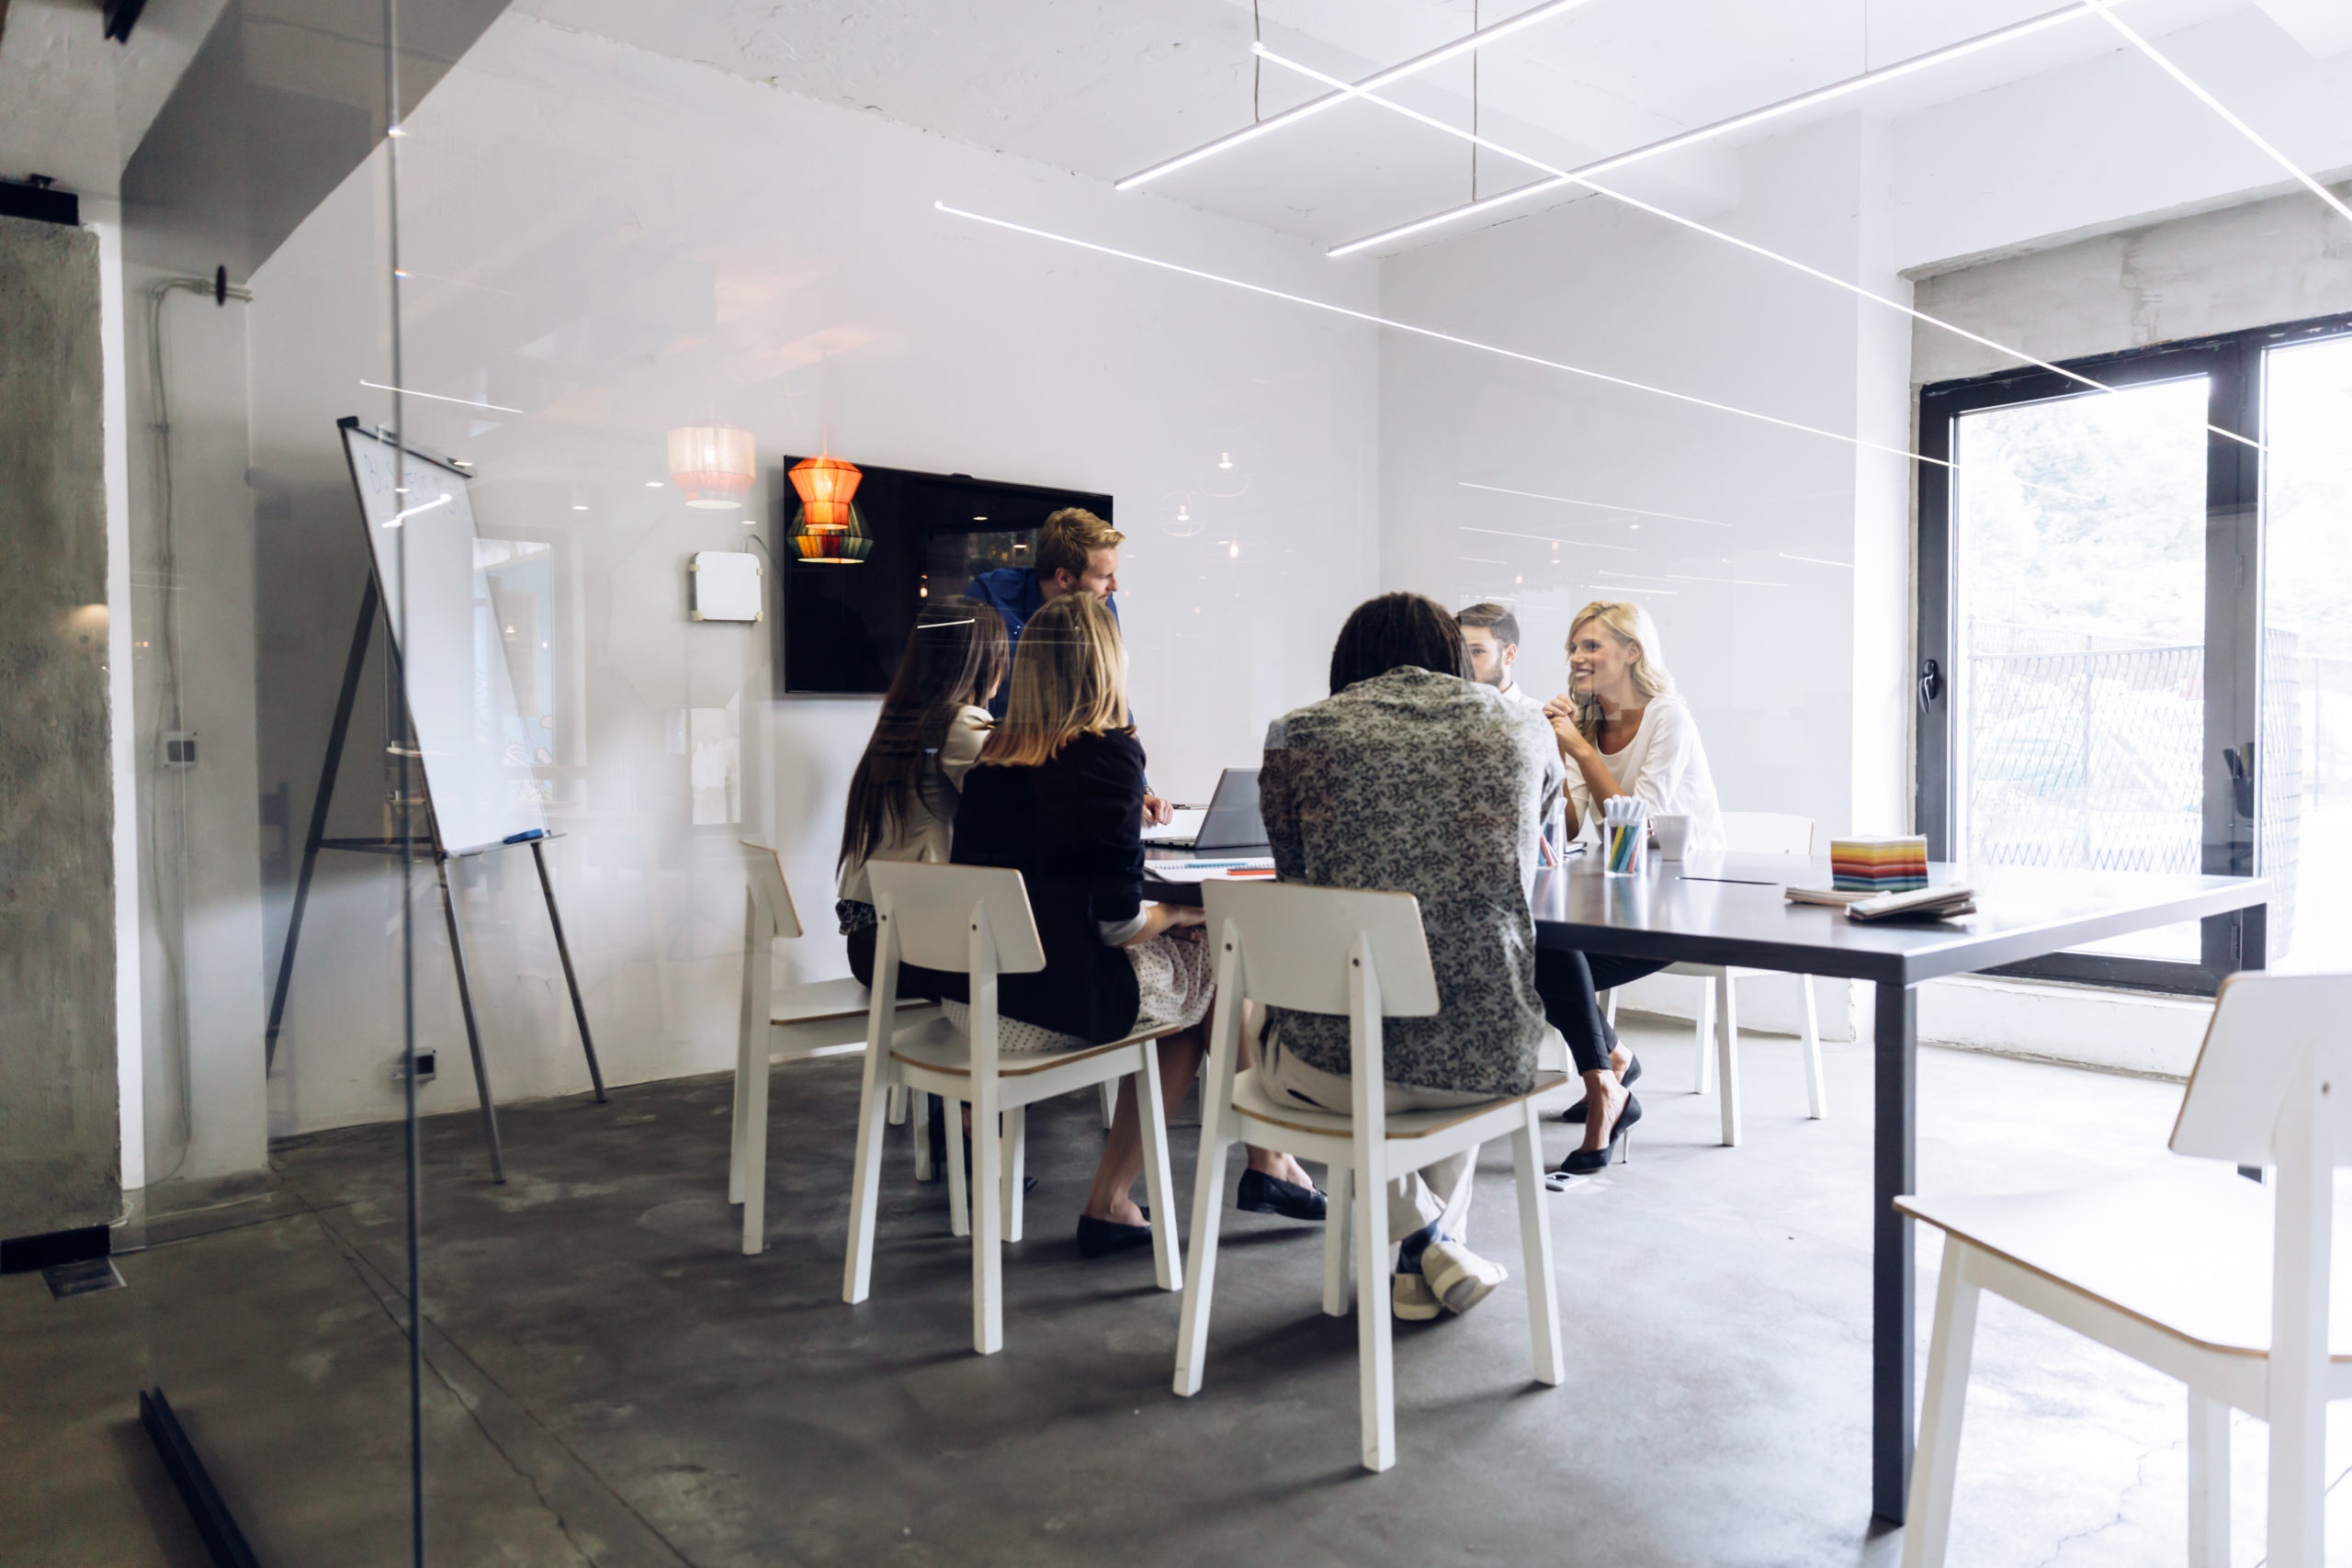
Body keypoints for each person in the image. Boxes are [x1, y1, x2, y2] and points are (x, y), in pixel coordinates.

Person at [937, 592, 1323, 1258]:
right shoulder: (1109, 755)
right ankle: (1244, 1167)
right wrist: (1177, 913)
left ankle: (1235, 1171)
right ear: (1106, 666)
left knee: (1192, 987)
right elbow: (1118, 925)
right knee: (1215, 968)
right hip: (1038, 1011)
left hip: (976, 999)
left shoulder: (990, 762)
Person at [1257, 592, 1569, 1323]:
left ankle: (1421, 1241)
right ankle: (1427, 1248)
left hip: (1326, 1070)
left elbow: (1294, 875)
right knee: (1467, 999)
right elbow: (1540, 836)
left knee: (1356, 1040)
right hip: (1483, 1062)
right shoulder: (1523, 727)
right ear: (1455, 657)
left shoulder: (1296, 733)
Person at [1532, 600, 1725, 1176]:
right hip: (1620, 895)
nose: (1576, 658)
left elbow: (1638, 822)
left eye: (1590, 646)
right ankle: (1611, 1069)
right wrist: (1551, 754)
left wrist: (1579, 749)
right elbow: (1571, 826)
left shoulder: (1669, 718)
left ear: (1632, 652)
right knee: (1531, 944)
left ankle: (1611, 1076)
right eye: (1573, 647)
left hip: (1685, 904)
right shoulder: (1587, 719)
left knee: (1546, 951)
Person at [834, 598, 1008, 989]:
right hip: (917, 947)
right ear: (981, 661)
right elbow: (1015, 807)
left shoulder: (902, 716)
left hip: (871, 946)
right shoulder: (962, 721)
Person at [967, 506, 1171, 825]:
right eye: (1104, 576)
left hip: (1071, 767)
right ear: (1064, 577)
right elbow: (967, 691)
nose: (1115, 586)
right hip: (1002, 764)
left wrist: (1138, 787)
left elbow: (1111, 697)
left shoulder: (1102, 603)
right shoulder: (991, 596)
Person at [1455, 602, 1543, 712]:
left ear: (1510, 654)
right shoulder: (1447, 714)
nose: (1463, 662)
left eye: (1477, 651)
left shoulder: (1540, 717)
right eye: (1459, 652)